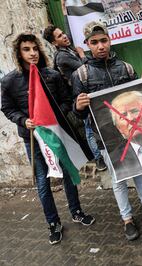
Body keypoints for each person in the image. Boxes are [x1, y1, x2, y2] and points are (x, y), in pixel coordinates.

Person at [71, 21, 142, 241]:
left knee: (140, 170)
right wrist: (78, 106)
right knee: (119, 180)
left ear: (110, 40)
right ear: (87, 44)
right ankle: (127, 219)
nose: (100, 46)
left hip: (132, 134)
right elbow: (77, 115)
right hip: (105, 138)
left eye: (103, 40)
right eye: (94, 42)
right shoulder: (81, 75)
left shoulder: (125, 68)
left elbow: (140, 95)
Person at [1, 33, 95, 245]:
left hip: (57, 135)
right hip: (33, 140)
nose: (32, 53)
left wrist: (52, 118)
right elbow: (7, 108)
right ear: (18, 53)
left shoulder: (51, 75)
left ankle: (76, 211)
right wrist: (23, 120)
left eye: (35, 48)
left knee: (69, 174)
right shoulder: (9, 81)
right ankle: (53, 223)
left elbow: (66, 100)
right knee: (43, 183)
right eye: (26, 49)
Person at [42, 25, 107, 172]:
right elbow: (84, 67)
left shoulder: (68, 49)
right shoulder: (62, 56)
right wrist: (82, 54)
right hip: (79, 93)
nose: (64, 36)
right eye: (59, 36)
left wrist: (65, 11)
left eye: (63, 33)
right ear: (54, 43)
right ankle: (98, 158)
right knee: (89, 126)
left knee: (92, 124)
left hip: (86, 90)